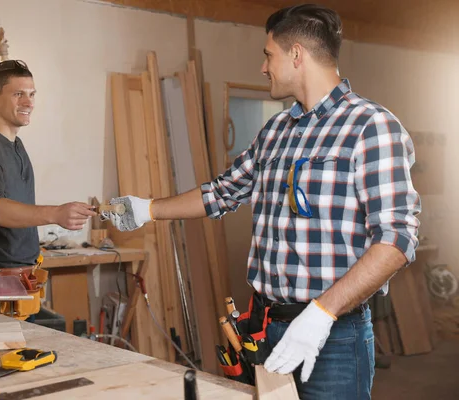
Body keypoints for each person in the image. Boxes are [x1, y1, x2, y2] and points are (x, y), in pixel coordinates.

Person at [107, 4, 420, 399]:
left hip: (333, 337)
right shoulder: (276, 130)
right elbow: (222, 193)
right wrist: (147, 209)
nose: (263, 67)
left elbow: (397, 240)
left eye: (268, 54)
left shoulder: (371, 127)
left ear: (296, 55)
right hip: (265, 326)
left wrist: (321, 314)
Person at [0, 60, 96, 318]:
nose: (28, 102)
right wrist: (55, 214)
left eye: (32, 94)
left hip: (21, 280)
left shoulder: (16, 145)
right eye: (18, 94)